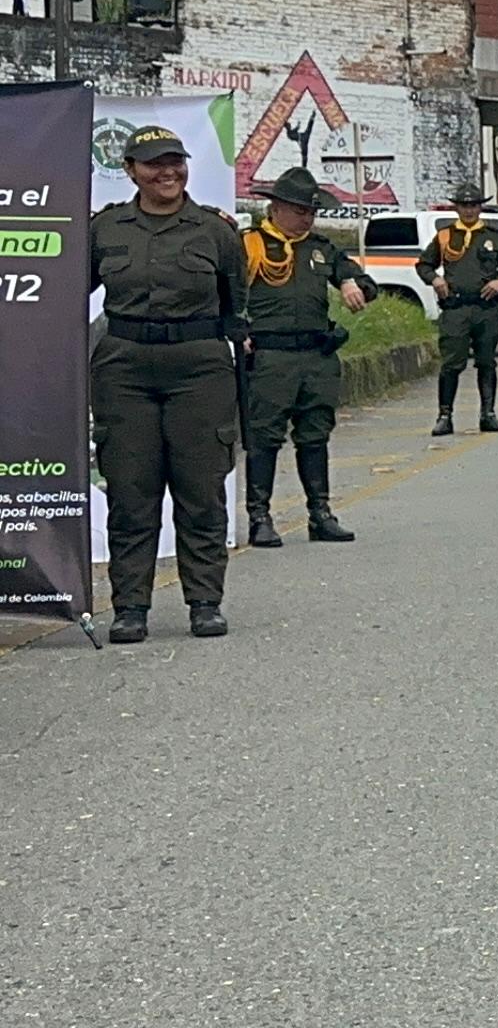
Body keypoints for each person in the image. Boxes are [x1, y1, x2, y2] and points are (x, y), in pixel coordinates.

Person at [89, 124, 247, 642]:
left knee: (201, 491)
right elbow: (68, 293)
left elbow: (235, 306)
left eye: (175, 160)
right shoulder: (105, 229)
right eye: (154, 163)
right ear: (130, 170)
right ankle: (130, 607)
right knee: (131, 494)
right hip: (124, 367)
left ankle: (204, 601)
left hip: (198, 367)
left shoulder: (215, 231)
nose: (167, 172)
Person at [239, 166, 372, 548]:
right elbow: (224, 294)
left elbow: (365, 283)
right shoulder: (249, 245)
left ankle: (320, 513)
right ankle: (260, 517)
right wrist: (239, 332)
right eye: (300, 211)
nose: (307, 218)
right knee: (264, 438)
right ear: (277, 208)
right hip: (270, 358)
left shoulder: (320, 248)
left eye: (312, 212)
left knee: (315, 435)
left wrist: (349, 282)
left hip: (316, 357)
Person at [415, 184, 498, 436]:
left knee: (486, 362)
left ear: (480, 207)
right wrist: (435, 279)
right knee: (451, 363)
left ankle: (488, 414)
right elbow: (423, 265)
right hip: (456, 309)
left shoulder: (493, 237)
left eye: (473, 205)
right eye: (464, 206)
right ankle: (444, 416)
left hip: (486, 309)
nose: (469, 210)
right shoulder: (445, 236)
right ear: (457, 208)